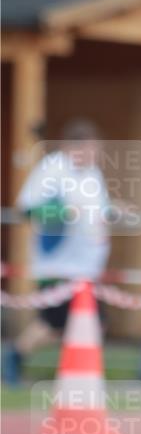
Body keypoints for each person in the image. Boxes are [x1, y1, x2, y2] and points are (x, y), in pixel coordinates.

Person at [4, 119, 111, 384]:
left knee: (75, 323)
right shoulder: (52, 169)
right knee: (55, 323)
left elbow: (98, 208)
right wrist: (62, 212)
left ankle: (68, 371)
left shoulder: (92, 173)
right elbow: (28, 209)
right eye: (87, 149)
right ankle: (17, 356)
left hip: (86, 264)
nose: (91, 155)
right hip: (58, 263)